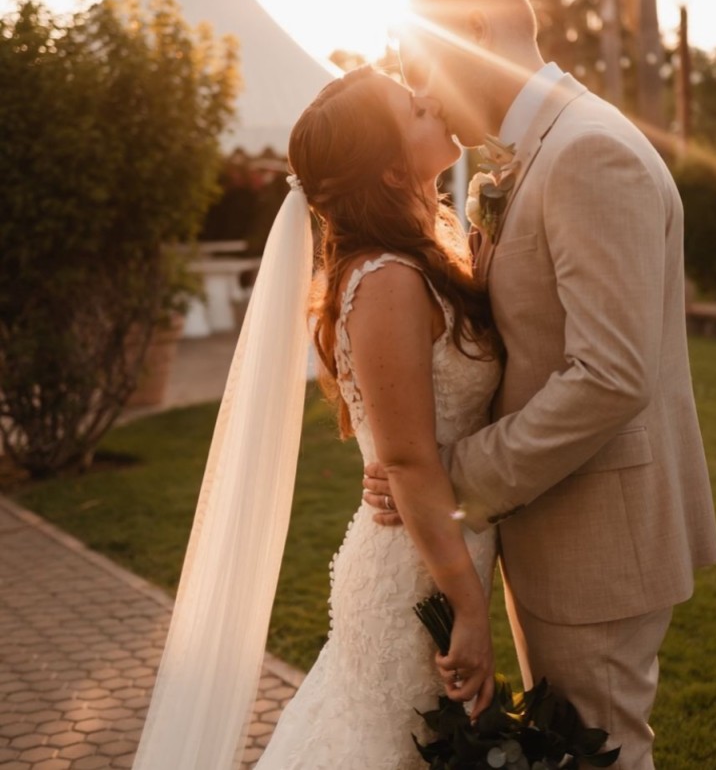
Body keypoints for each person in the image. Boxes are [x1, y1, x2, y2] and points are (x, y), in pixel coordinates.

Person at [362, 0, 716, 770]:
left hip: (598, 539)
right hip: (561, 525)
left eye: (423, 72)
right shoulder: (546, 148)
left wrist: (453, 474)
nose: (425, 100)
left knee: (600, 754)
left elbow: (610, 376)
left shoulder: (588, 151)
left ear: (474, 36)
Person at [132, 66, 502, 770]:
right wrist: (469, 609)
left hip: (437, 546)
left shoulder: (422, 258)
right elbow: (407, 461)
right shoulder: (386, 279)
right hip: (416, 579)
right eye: (414, 109)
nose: (434, 103)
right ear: (389, 170)